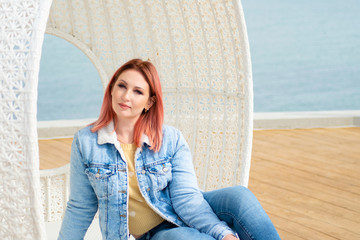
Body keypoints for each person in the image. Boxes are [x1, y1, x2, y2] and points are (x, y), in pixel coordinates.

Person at [58, 59, 281, 240]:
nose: (126, 96)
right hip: (154, 234)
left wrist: (222, 235)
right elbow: (80, 207)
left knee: (239, 196)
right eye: (122, 86)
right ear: (112, 89)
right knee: (182, 238)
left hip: (184, 209)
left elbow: (187, 199)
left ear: (149, 102)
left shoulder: (170, 139)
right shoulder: (86, 142)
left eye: (137, 91)